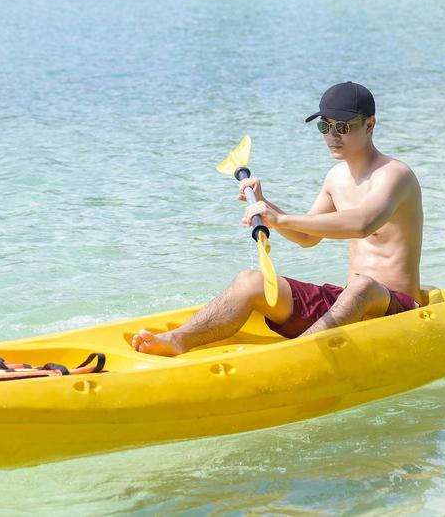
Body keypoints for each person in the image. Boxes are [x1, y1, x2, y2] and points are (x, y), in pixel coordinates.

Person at [132, 81, 424, 356]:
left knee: (363, 285)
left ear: (370, 125)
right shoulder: (335, 177)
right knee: (249, 280)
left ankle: (297, 355)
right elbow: (308, 237)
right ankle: (179, 340)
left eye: (343, 127)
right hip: (348, 299)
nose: (332, 136)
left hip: (397, 305)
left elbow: (362, 224)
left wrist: (280, 220)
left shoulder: (395, 174)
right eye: (325, 126)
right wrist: (263, 203)